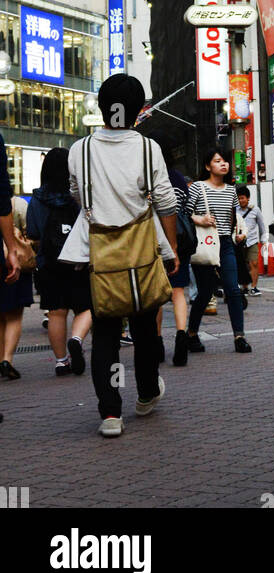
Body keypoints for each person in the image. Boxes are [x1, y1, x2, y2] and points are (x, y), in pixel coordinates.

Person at [59, 74, 178, 436]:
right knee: (144, 325)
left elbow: (77, 195)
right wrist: (170, 251)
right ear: (139, 110)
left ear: (101, 105)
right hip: (142, 247)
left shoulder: (79, 149)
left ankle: (111, 414)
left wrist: (101, 210)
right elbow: (166, 201)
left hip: (98, 251)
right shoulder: (147, 148)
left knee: (107, 330)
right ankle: (144, 395)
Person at [25, 148, 92, 376]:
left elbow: (33, 232)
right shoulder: (78, 197)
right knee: (86, 307)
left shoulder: (37, 199)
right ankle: (76, 338)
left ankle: (61, 361)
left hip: (49, 263)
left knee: (56, 312)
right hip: (78, 261)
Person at [186, 148, 252, 355]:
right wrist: (200, 219)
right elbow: (184, 214)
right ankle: (191, 334)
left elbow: (231, 220)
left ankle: (239, 336)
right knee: (205, 292)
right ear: (208, 166)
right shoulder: (197, 188)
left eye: (225, 161)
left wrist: (235, 237)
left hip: (225, 244)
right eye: (217, 161)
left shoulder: (232, 191)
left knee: (233, 289)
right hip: (204, 244)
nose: (223, 164)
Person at [153, 136, 192, 367]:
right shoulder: (178, 178)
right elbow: (186, 209)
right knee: (178, 292)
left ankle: (157, 344)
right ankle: (180, 335)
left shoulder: (150, 177)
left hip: (155, 241)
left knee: (156, 295)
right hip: (179, 240)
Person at [0, 191, 34, 380]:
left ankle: (0, 359)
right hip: (13, 260)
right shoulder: (17, 204)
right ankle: (7, 360)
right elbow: (30, 230)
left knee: (0, 317)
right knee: (14, 316)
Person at [236, 185, 268, 296]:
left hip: (252, 240)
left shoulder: (255, 209)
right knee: (242, 265)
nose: (241, 200)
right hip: (239, 242)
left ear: (248, 198)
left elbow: (262, 225)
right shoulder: (234, 210)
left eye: (243, 198)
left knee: (254, 263)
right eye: (239, 198)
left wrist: (264, 239)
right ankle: (244, 287)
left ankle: (254, 287)